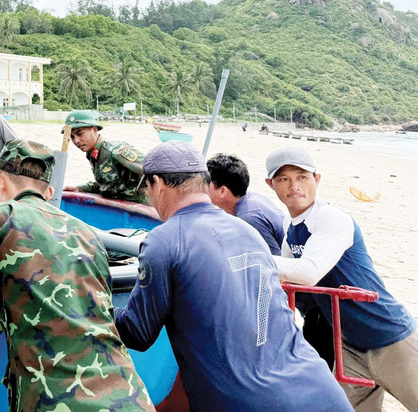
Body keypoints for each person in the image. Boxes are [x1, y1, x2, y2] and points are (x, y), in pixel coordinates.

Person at [114, 141, 352, 412]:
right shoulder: (248, 231)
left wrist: (92, 299)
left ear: (157, 183)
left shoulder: (164, 241)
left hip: (249, 403)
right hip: (321, 390)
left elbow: (137, 333)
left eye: (146, 189)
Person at [0, 139, 155, 411]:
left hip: (59, 402)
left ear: (0, 182)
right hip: (130, 396)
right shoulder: (87, 233)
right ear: (49, 192)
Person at [266, 148, 418, 412]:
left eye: (302, 177)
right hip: (348, 344)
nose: (294, 186)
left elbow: (307, 272)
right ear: (271, 184)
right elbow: (290, 285)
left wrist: (251, 256)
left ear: (317, 179)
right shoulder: (292, 229)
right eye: (283, 179)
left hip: (389, 336)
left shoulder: (331, 218)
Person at [62, 109, 149, 204]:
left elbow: (153, 169)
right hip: (120, 209)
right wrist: (78, 189)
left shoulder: (115, 150)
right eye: (72, 137)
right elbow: (106, 185)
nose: (76, 141)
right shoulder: (93, 154)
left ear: (94, 130)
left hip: (143, 210)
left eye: (79, 134)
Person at [207, 153, 284, 254]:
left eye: (206, 183)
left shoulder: (249, 218)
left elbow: (272, 261)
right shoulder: (251, 198)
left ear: (223, 191)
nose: (200, 188)